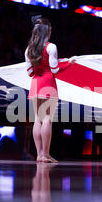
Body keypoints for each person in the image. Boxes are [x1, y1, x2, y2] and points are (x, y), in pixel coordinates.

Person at [26, 18, 75, 163]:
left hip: (35, 83)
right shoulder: (51, 47)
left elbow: (29, 72)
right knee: (47, 118)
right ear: (47, 31)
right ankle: (46, 154)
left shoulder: (29, 49)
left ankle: (39, 154)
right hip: (47, 82)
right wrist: (69, 63)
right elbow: (54, 69)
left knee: (37, 119)